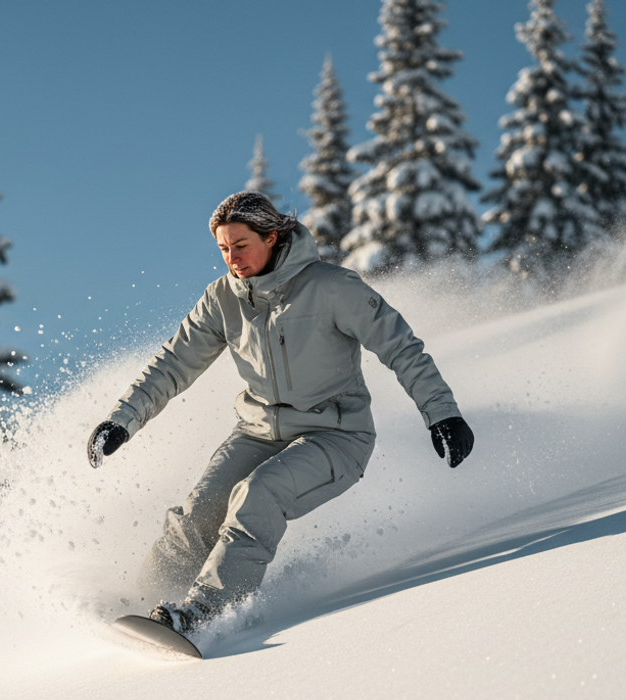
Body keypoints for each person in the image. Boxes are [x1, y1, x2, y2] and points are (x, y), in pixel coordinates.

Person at [86, 192, 473, 636]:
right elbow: (173, 364)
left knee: (258, 494)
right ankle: (143, 603)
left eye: (241, 245)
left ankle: (203, 613)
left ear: (272, 237)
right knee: (198, 513)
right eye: (223, 249)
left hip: (336, 435)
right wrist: (122, 419)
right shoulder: (222, 299)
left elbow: (400, 347)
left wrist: (442, 413)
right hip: (258, 430)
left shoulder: (331, 287)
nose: (232, 258)